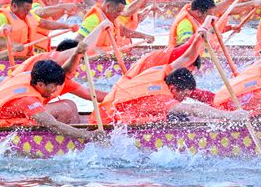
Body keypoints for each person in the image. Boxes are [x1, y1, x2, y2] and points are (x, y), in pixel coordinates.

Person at [100, 34, 250, 125]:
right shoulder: (160, 94)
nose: (183, 100)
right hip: (107, 121)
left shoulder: (163, 72)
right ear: (173, 89)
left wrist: (199, 36)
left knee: (175, 115)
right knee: (177, 116)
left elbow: (187, 57)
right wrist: (230, 116)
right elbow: (193, 108)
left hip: (112, 108)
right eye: (183, 96)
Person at [0, 56, 103, 139]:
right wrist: (89, 136)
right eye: (53, 87)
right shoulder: (27, 100)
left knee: (70, 104)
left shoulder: (31, 76)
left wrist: (78, 53)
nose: (55, 91)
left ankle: (73, 135)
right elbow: (53, 125)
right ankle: (69, 142)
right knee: (65, 109)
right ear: (40, 84)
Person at [0, 0, 76, 57]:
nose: (28, 13)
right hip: (6, 58)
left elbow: (45, 23)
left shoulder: (29, 14)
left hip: (26, 56)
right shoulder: (0, 18)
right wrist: (12, 44)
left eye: (29, 10)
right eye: (26, 10)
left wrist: (67, 26)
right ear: (14, 6)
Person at [76, 0, 155, 49]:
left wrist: (144, 36)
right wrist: (97, 51)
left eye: (121, 11)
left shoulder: (113, 17)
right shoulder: (93, 20)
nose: (120, 14)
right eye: (118, 11)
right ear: (108, 6)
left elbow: (123, 31)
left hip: (108, 55)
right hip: (95, 60)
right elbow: (77, 41)